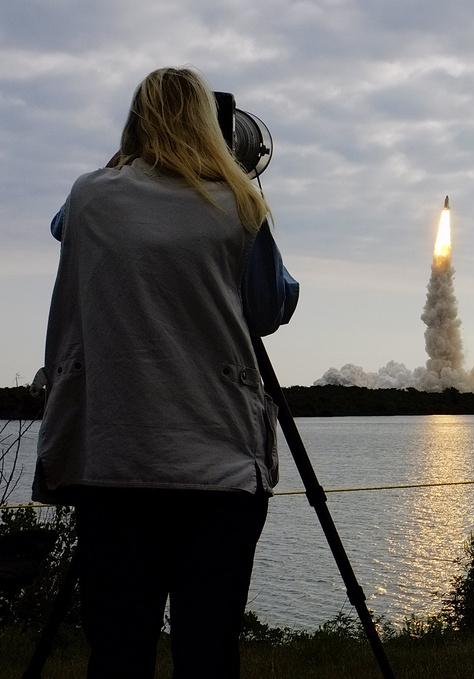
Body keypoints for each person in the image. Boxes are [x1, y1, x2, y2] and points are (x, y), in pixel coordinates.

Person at [32, 67, 298, 678]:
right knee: (208, 652)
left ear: (135, 123)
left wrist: (122, 164)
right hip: (220, 467)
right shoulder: (239, 205)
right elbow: (270, 307)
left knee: (118, 650)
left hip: (113, 462)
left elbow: (61, 230)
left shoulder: (89, 196)